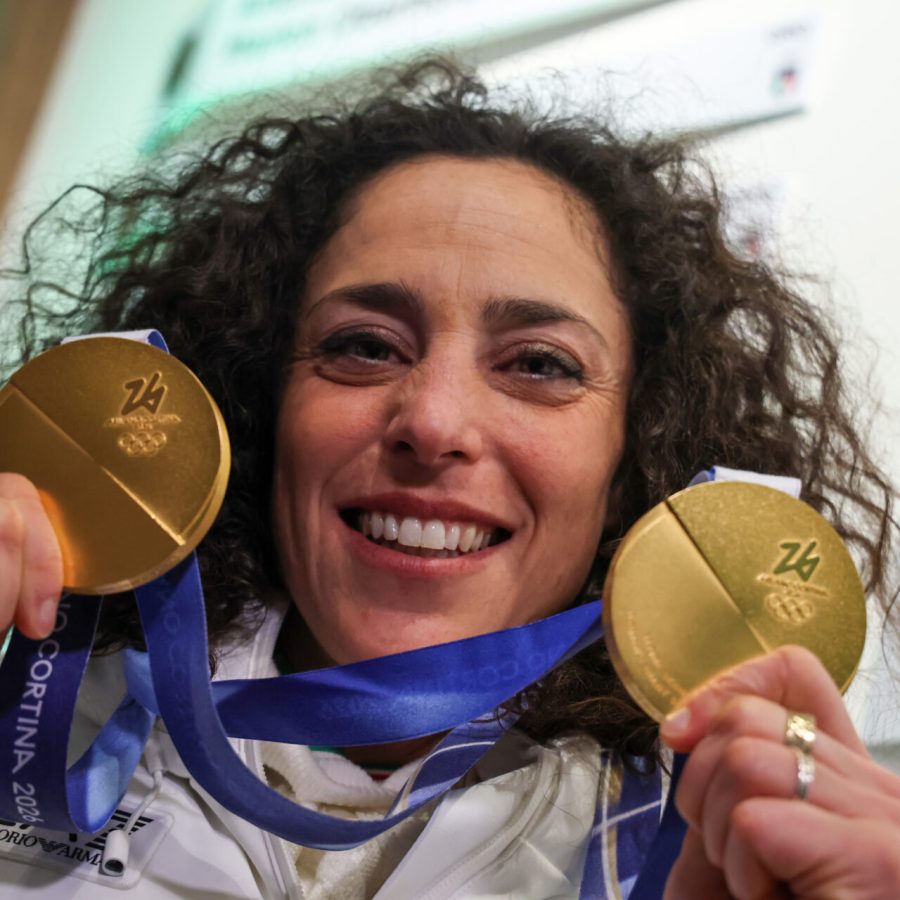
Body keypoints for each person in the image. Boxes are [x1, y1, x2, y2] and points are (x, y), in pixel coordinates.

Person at [1, 58, 899, 898]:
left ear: (639, 451)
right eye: (364, 346)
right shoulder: (36, 713)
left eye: (539, 364)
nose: (432, 424)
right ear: (256, 402)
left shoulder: (711, 835)